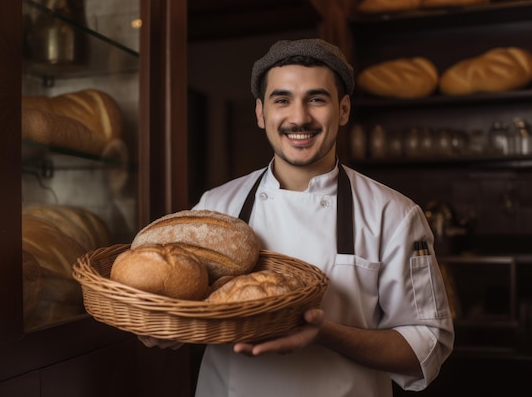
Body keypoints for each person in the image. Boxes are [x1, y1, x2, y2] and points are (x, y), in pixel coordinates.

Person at [141, 38, 454, 396]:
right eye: (282, 100)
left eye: (317, 99)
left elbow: (427, 345)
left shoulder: (394, 214)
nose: (299, 117)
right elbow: (185, 308)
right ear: (261, 113)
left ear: (344, 110)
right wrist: (161, 329)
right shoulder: (216, 207)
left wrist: (325, 334)